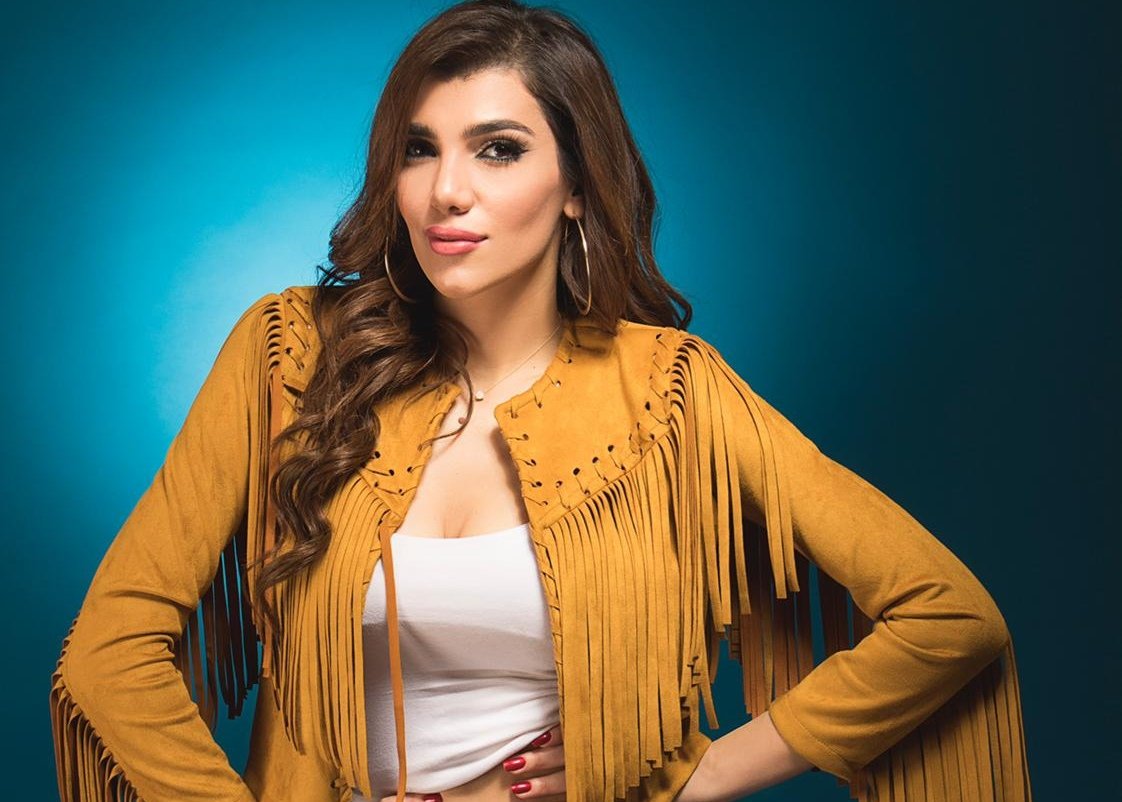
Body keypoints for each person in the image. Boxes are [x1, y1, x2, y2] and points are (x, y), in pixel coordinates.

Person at [49, 1, 1033, 801]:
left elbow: (948, 616)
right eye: (419, 149)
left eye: (498, 149)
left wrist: (708, 773)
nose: (447, 191)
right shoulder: (289, 354)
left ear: (576, 185)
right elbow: (108, 652)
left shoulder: (669, 392)